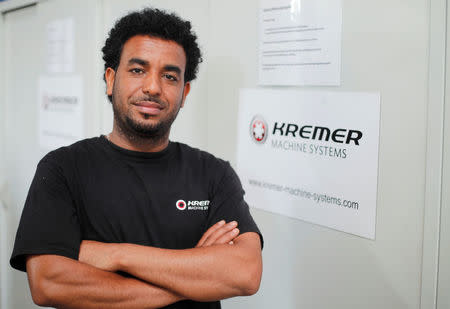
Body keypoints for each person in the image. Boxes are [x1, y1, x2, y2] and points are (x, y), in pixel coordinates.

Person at [10, 7, 263, 309]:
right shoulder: (63, 169)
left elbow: (245, 273)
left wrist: (116, 255)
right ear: (110, 79)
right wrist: (197, 279)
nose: (153, 87)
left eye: (169, 76)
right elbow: (48, 283)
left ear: (184, 92)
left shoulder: (213, 174)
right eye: (138, 70)